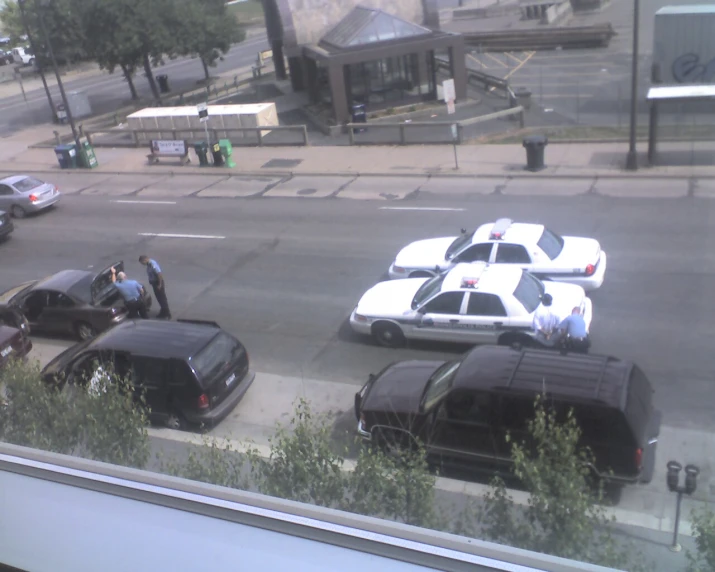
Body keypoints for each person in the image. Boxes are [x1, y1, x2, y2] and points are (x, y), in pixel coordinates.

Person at [139, 255, 171, 319]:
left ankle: (166, 313)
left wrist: (160, 284)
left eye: (142, 263)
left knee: (162, 298)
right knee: (159, 298)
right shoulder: (149, 264)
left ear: (145, 260)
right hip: (154, 283)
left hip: (157, 283)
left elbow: (159, 274)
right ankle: (164, 311)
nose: (142, 264)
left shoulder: (152, 264)